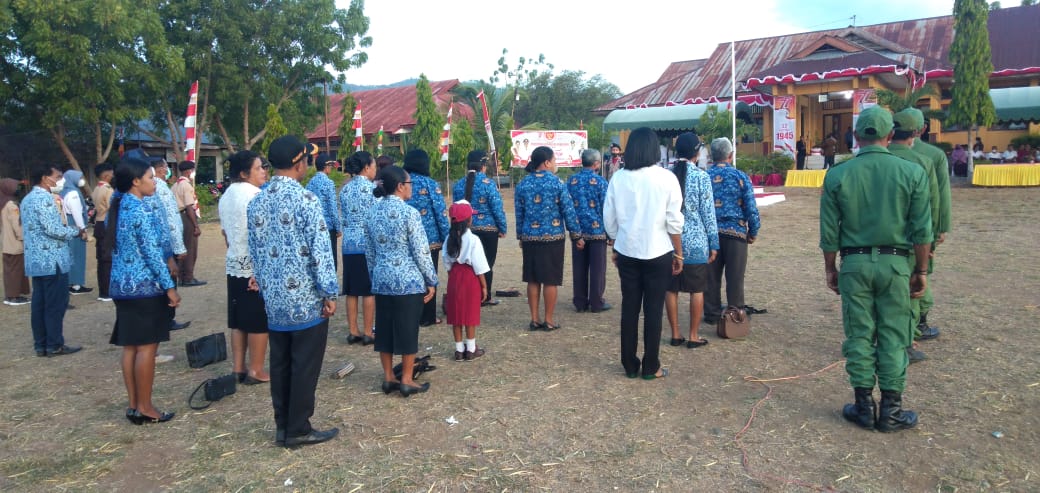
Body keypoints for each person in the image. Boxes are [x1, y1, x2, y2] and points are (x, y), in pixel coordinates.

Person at [819, 105, 932, 432]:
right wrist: (921, 270)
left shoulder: (837, 174)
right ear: (890, 135)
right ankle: (891, 411)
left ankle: (864, 406)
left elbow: (829, 232)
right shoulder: (912, 173)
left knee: (859, 334)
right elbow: (922, 231)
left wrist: (831, 269)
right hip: (896, 263)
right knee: (895, 336)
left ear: (855, 136)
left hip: (853, 264)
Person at [248, 135, 340, 448]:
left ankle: (282, 425)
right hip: (305, 300)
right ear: (300, 162)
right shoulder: (306, 201)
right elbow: (321, 251)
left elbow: (256, 252)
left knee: (282, 363)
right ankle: (299, 428)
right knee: (304, 365)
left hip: (274, 300)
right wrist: (329, 293)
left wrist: (264, 289)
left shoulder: (258, 200)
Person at [106, 156, 181, 424]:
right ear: (136, 182)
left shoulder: (120, 205)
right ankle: (147, 407)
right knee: (147, 348)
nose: (155, 182)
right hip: (144, 287)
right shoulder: (139, 210)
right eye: (151, 177)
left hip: (122, 286)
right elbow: (152, 253)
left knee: (130, 347)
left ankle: (134, 405)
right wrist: (169, 287)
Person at [604, 127, 682, 380]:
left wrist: (616, 242)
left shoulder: (618, 178)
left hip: (627, 250)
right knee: (653, 310)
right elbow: (674, 220)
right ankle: (651, 366)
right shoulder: (666, 177)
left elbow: (610, 217)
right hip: (659, 251)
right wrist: (678, 254)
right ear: (653, 149)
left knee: (629, 308)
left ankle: (629, 364)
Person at [365, 165, 438, 397]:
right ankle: (406, 379)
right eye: (409, 184)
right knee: (408, 330)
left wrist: (374, 276)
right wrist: (431, 279)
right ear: (399, 187)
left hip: (382, 279)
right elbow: (421, 251)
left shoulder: (372, 213)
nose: (411, 188)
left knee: (385, 330)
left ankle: (388, 378)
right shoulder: (410, 213)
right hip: (408, 281)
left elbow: (369, 253)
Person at [889, 110, 941, 364]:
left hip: (871, 247)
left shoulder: (853, 165)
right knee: (910, 293)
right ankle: (905, 341)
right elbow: (933, 206)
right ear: (918, 132)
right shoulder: (923, 161)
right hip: (911, 245)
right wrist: (934, 237)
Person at [514, 146, 581, 331]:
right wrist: (577, 235)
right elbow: (568, 211)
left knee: (533, 279)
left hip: (529, 238)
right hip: (553, 239)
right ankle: (549, 320)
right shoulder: (558, 183)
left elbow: (519, 214)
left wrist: (520, 235)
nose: (555, 164)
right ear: (547, 162)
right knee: (550, 280)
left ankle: (534, 319)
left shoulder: (523, 184)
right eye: (554, 160)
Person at [22, 164, 85, 357]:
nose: (60, 180)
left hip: (37, 260)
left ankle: (41, 344)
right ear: (44, 178)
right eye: (57, 176)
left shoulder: (27, 199)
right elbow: (54, 229)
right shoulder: (45, 200)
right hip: (53, 259)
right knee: (55, 304)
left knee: (39, 304)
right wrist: (76, 231)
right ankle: (54, 344)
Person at [219, 150, 270, 385]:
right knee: (258, 321)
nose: (264, 171)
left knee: (238, 320)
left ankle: (238, 367)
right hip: (253, 265)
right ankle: (256, 369)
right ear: (244, 172)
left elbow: (225, 233)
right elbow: (263, 236)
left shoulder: (227, 195)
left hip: (234, 262)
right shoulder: (255, 196)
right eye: (259, 167)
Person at [664, 133, 718, 348]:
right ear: (697, 152)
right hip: (696, 242)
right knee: (697, 290)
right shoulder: (702, 177)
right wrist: (714, 242)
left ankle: (675, 334)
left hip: (669, 241)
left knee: (671, 289)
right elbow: (708, 213)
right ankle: (694, 335)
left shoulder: (667, 175)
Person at [702, 137, 761, 325]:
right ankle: (735, 314)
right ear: (730, 155)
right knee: (735, 278)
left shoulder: (704, 177)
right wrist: (753, 231)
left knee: (711, 278)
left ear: (712, 156)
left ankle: (711, 313)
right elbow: (751, 207)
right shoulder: (740, 176)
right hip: (736, 234)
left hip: (710, 235)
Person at [909, 108, 952, 355]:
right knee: (920, 276)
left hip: (884, 234)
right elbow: (940, 197)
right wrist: (940, 229)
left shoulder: (883, 152)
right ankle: (918, 325)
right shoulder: (933, 156)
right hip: (921, 230)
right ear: (922, 129)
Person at [452, 150, 507, 307]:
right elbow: (497, 208)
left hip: (465, 230)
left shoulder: (458, 185)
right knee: (486, 264)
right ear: (483, 166)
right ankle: (485, 296)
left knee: (468, 265)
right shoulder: (488, 184)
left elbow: (456, 209)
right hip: (488, 231)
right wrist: (502, 227)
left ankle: (469, 295)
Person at [402, 149, 450, 327]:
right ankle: (428, 316)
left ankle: (411, 313)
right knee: (429, 276)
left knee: (411, 276)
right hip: (429, 241)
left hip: (406, 241)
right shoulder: (430, 184)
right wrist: (447, 238)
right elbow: (440, 213)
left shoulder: (401, 183)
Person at [147, 157, 191, 332]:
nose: (168, 170)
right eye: (166, 167)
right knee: (169, 280)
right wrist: (179, 247)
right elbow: (170, 220)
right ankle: (168, 318)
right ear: (161, 169)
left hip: (161, 244)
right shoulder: (160, 187)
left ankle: (165, 318)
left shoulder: (153, 187)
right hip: (168, 246)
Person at [442, 200, 489, 361]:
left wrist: (451, 279)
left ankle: (458, 350)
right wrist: (484, 286)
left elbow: (446, 261)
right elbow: (479, 265)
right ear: (469, 220)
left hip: (454, 277)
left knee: (455, 314)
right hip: (470, 278)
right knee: (469, 314)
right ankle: (471, 349)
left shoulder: (448, 239)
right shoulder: (473, 239)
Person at [339, 151, 378, 345]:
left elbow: (344, 218)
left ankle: (353, 330)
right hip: (367, 244)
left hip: (348, 244)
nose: (375, 169)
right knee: (368, 290)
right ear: (366, 167)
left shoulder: (344, 190)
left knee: (352, 289)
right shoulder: (371, 189)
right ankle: (368, 331)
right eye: (373, 166)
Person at [567, 149, 610, 313]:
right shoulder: (600, 182)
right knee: (598, 269)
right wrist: (609, 233)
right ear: (596, 163)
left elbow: (567, 207)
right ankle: (597, 302)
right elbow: (606, 208)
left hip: (577, 231)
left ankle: (580, 302)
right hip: (597, 231)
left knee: (579, 267)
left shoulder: (571, 181)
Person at [172, 160, 205, 287]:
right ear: (188, 171)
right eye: (192, 170)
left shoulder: (175, 185)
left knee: (182, 246)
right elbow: (189, 206)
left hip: (178, 216)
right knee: (190, 248)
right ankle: (188, 277)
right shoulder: (186, 185)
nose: (193, 173)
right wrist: (196, 225)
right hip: (187, 217)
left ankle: (181, 276)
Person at [306, 152, 341, 270]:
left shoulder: (309, 183)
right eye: (330, 166)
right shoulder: (328, 183)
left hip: (314, 225)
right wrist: (338, 227)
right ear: (326, 167)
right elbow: (332, 207)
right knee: (331, 258)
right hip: (328, 227)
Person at [61, 169, 92, 295]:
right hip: (75, 227)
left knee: (71, 255)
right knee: (77, 256)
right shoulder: (73, 194)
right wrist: (82, 229)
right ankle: (76, 285)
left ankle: (72, 283)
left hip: (69, 226)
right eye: (79, 178)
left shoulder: (65, 191)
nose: (81, 180)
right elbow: (77, 213)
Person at [1, 178, 30, 305]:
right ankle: (14, 297)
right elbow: (17, 225)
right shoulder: (11, 205)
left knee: (9, 271)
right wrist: (23, 237)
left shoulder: (2, 203)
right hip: (15, 244)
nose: (17, 189)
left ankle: (11, 295)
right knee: (15, 271)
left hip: (6, 243)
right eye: (15, 187)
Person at [91, 164, 115, 302]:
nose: (112, 176)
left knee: (102, 259)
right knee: (107, 259)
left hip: (99, 223)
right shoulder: (107, 190)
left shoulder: (97, 188)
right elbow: (112, 208)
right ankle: (106, 291)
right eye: (111, 174)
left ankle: (103, 290)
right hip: (106, 223)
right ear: (106, 175)